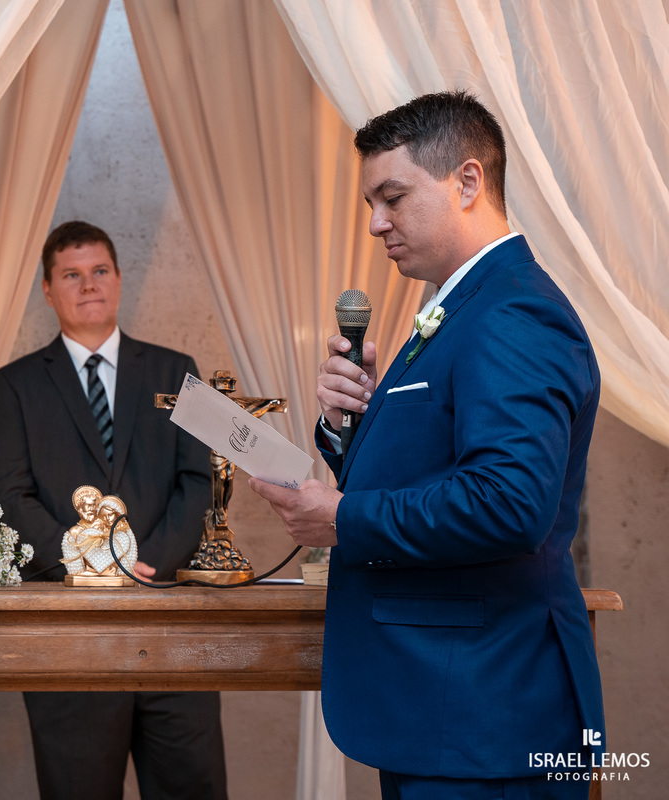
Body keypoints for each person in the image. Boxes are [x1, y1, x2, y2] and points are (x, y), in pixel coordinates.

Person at [250, 91, 604, 799]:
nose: (377, 223)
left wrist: (341, 518)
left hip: (484, 711)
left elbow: (508, 503)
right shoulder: (461, 304)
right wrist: (349, 423)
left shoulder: (514, 311)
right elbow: (437, 467)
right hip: (442, 704)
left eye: (393, 196)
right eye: (371, 203)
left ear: (467, 182)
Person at [0, 220, 225, 800]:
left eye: (98, 272)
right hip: (69, 637)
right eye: (71, 274)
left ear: (118, 279)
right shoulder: (12, 385)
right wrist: (92, 567)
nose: (87, 285)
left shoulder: (178, 370)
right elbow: (11, 498)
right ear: (48, 289)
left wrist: (149, 563)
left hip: (171, 626)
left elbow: (200, 482)